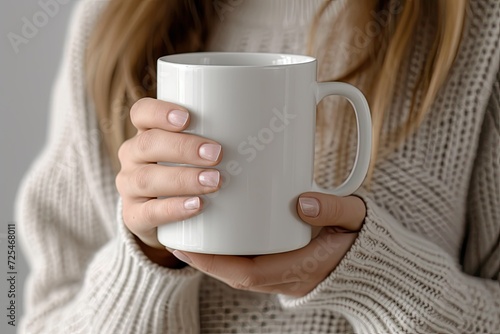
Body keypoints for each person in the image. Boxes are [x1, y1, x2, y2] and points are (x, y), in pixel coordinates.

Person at [16, 0, 500, 332]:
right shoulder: (112, 22)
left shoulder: (479, 27)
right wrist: (145, 262)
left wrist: (379, 278)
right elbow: (43, 317)